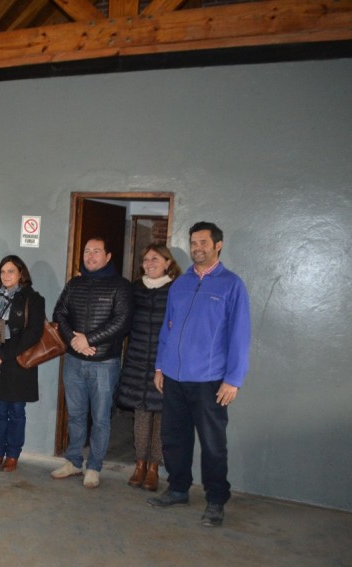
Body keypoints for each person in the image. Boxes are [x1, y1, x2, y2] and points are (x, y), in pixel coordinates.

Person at [147, 222, 251, 528]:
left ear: (218, 245)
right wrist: (160, 366)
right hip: (175, 378)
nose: (197, 248)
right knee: (174, 439)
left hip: (210, 380)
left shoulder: (231, 285)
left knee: (212, 444)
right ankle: (178, 489)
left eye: (203, 242)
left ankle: (216, 500)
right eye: (193, 243)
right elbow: (167, 329)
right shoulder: (180, 284)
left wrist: (234, 378)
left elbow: (240, 336)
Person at [50, 236, 133, 488]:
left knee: (101, 418)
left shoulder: (121, 286)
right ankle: (74, 462)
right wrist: (75, 342)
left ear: (108, 256)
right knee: (75, 415)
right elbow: (59, 314)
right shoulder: (74, 283)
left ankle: (94, 466)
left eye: (97, 251)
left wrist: (88, 339)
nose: (91, 255)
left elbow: (122, 322)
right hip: (74, 361)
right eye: (87, 251)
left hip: (104, 364)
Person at [117, 243, 181, 491]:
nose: (150, 263)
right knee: (141, 414)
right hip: (136, 359)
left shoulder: (176, 289)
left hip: (164, 361)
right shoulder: (134, 289)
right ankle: (139, 464)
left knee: (162, 415)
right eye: (146, 259)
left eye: (156, 258)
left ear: (167, 262)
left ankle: (154, 467)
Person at [0, 256, 45, 473]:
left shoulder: (33, 298)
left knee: (16, 411)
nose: (6, 276)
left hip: (18, 361)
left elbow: (33, 334)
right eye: (2, 272)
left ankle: (12, 455)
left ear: (21, 274)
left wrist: (5, 353)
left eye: (11, 271)